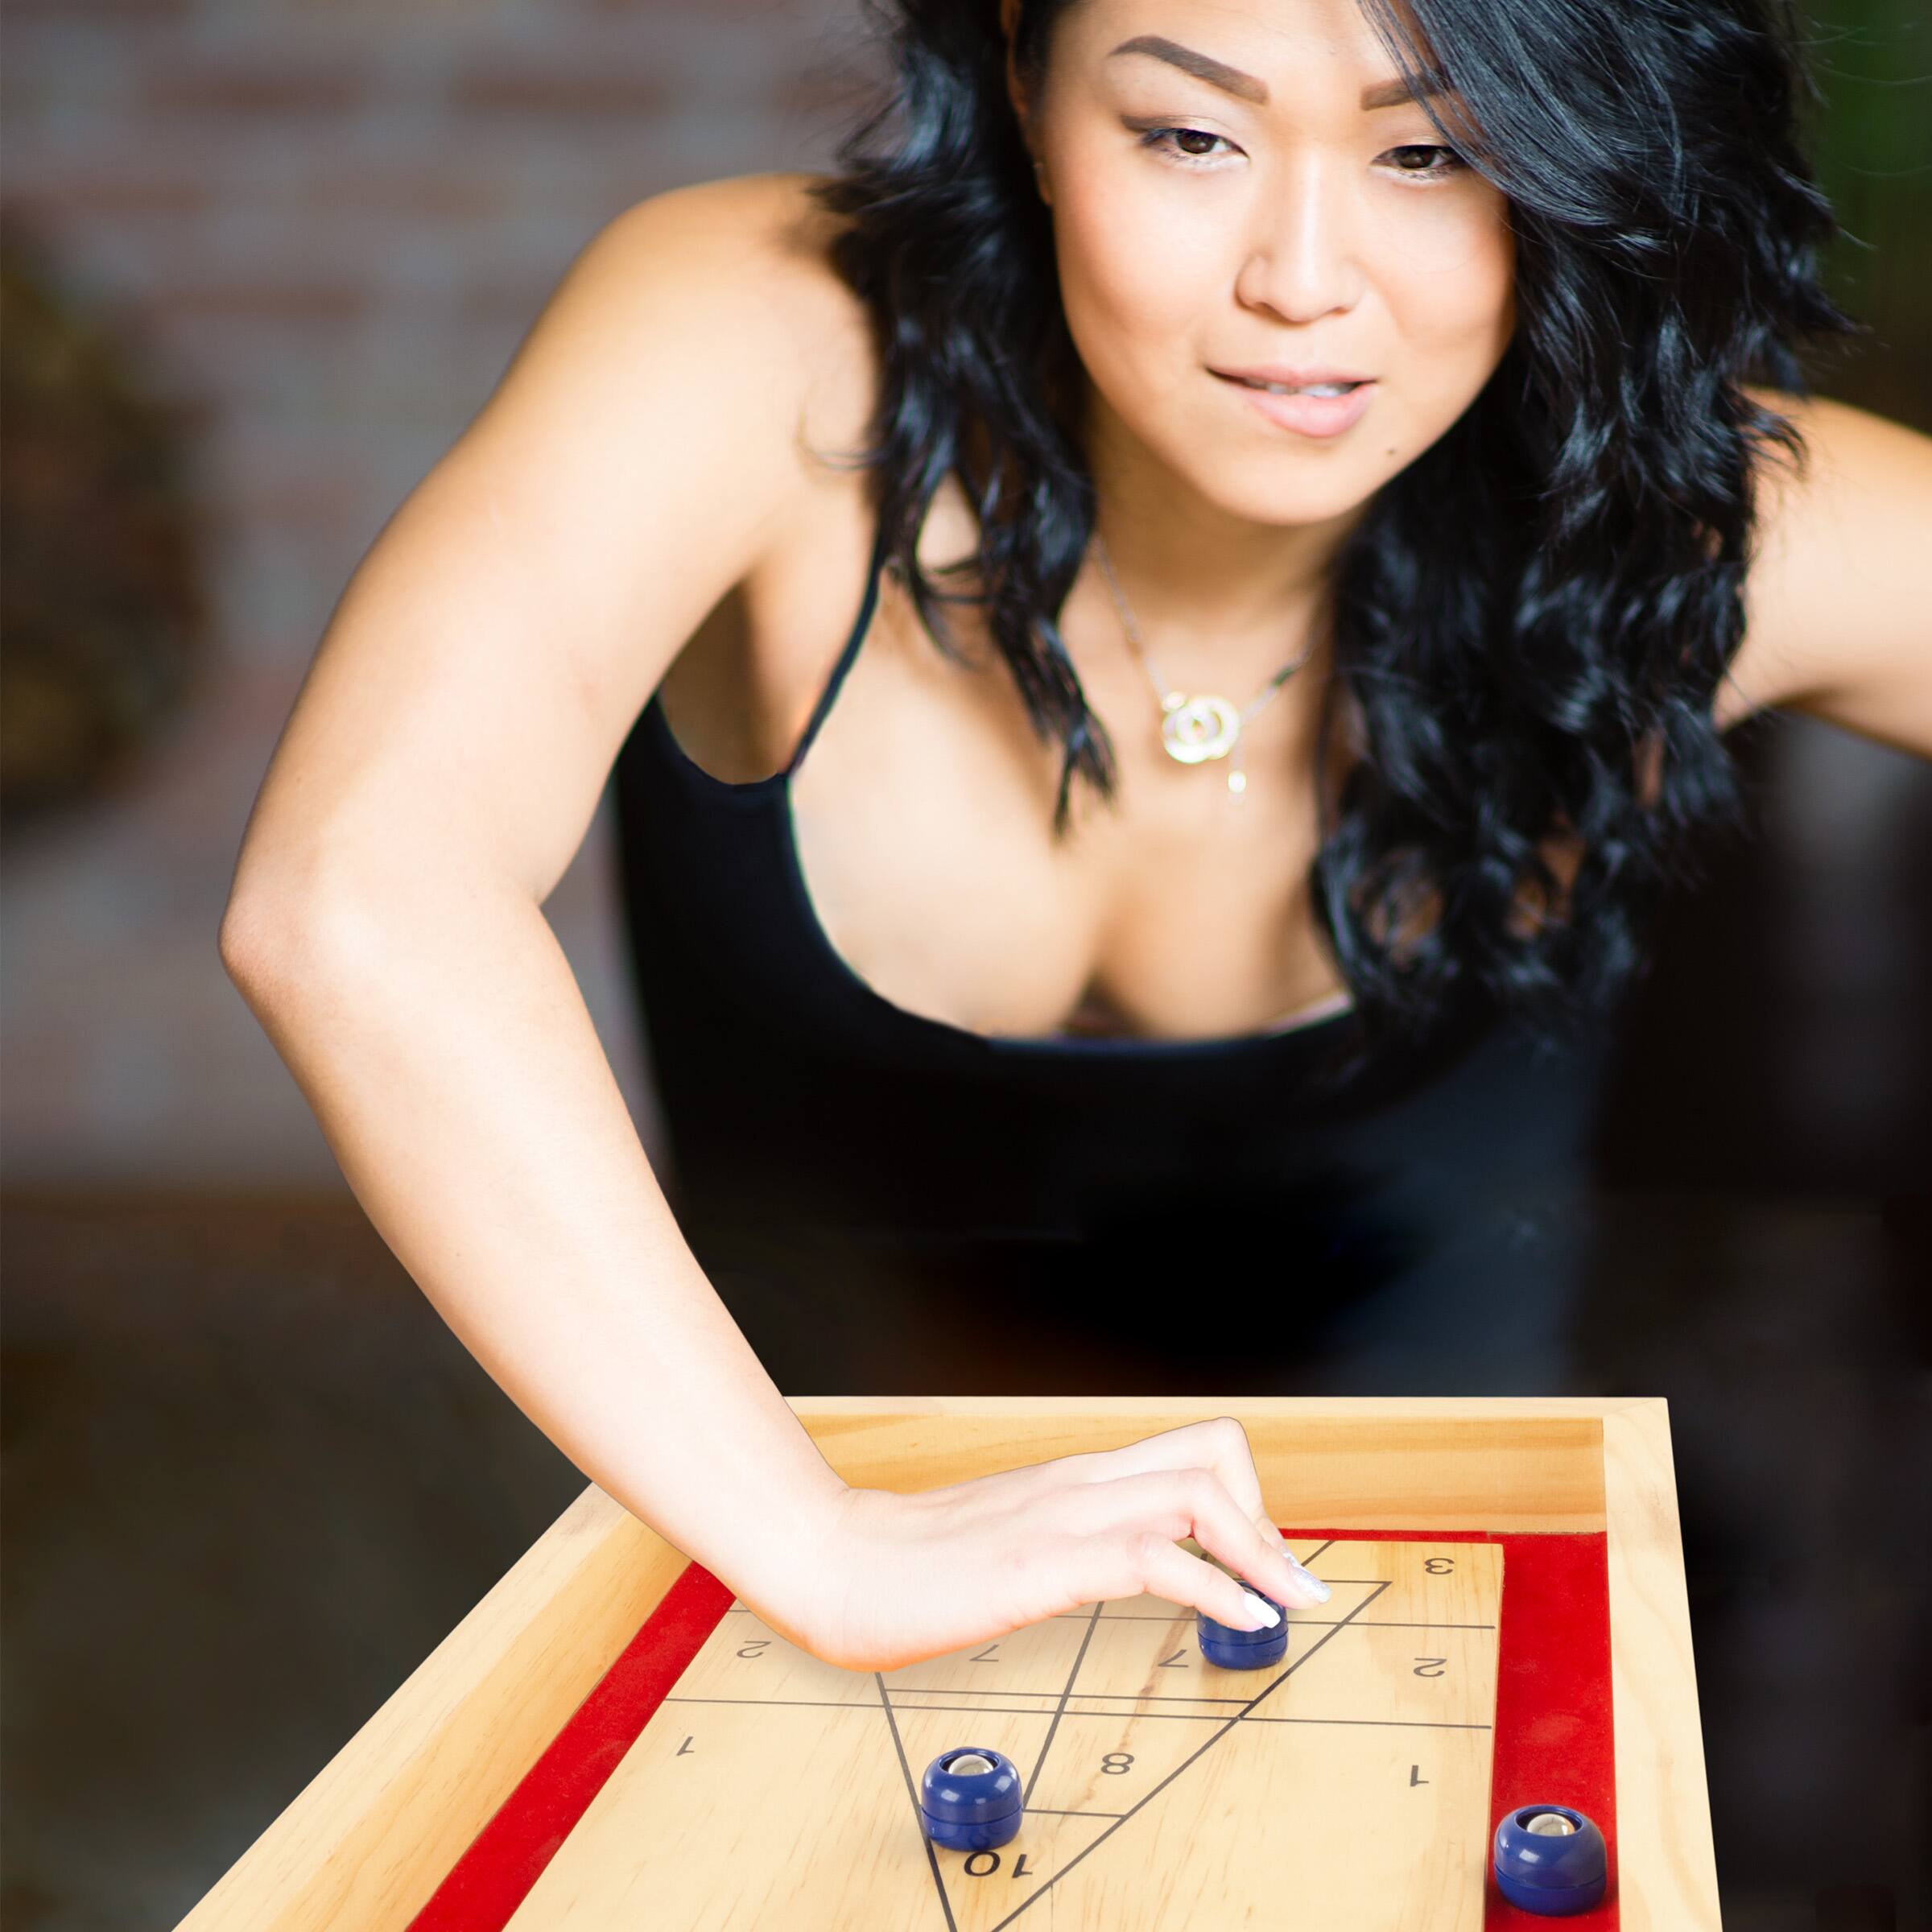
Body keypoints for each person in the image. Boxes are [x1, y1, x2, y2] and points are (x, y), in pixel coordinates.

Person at [219, 0, 1931, 1679]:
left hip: (1427, 1638)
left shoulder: (1693, 532)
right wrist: (819, 1543)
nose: (1304, 278)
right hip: (774, 1596)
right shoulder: (765, 341)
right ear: (1029, 85)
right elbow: (359, 898)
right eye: (1191, 134)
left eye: (1431, 152)